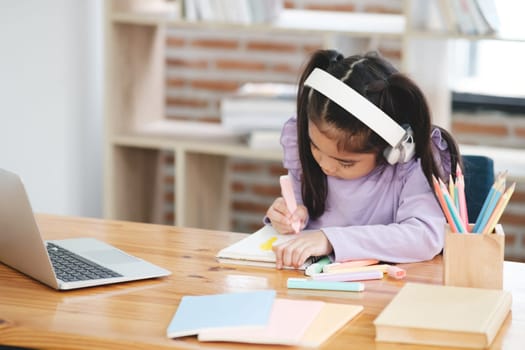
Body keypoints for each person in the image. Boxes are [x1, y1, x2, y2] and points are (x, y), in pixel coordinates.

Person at [266, 49, 461, 269]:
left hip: (386, 289)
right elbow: (301, 205)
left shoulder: (410, 165)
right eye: (315, 147)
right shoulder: (301, 141)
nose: (326, 165)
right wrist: (291, 215)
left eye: (345, 162)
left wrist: (330, 240)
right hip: (309, 280)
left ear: (390, 152)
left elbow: (425, 236)